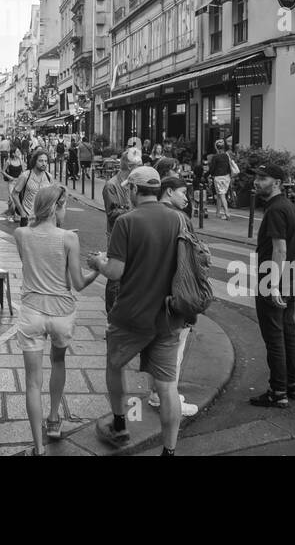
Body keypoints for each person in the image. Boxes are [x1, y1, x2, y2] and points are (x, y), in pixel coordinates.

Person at [88, 166, 188, 455]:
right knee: (168, 387)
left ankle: (120, 426)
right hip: (169, 315)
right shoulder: (179, 219)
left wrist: (97, 263)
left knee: (115, 364)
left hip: (131, 314)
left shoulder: (127, 221)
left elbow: (116, 271)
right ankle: (169, 451)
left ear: (133, 190)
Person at [15, 185, 100, 455]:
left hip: (31, 313)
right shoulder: (69, 239)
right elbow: (78, 283)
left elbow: (30, 263)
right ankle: (53, 419)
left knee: (32, 382)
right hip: (62, 312)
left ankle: (38, 448)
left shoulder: (21, 234)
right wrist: (97, 269)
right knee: (58, 360)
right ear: (58, 207)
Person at [249, 164, 295, 408]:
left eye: (263, 178)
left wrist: (271, 284)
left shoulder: (275, 210)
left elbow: (279, 248)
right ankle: (293, 385)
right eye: (257, 177)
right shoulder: (289, 206)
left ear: (278, 183)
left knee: (274, 335)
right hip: (290, 273)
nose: (257, 182)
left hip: (273, 275)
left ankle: (278, 391)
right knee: (287, 331)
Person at [147, 176, 201, 417]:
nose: (186, 198)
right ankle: (167, 400)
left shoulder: (148, 214)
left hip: (152, 292)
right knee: (174, 351)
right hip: (174, 292)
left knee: (156, 347)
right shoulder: (180, 219)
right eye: (182, 193)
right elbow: (190, 259)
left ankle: (156, 394)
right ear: (168, 192)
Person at [100, 148, 140, 314]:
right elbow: (113, 215)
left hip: (136, 237)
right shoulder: (111, 186)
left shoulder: (136, 184)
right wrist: (137, 213)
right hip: (117, 237)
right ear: (130, 167)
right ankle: (112, 315)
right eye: (139, 165)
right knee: (115, 278)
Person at [12, 151, 54, 227]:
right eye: (40, 161)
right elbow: (14, 194)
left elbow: (51, 197)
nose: (44, 163)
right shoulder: (25, 176)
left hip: (44, 219)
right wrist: (22, 213)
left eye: (45, 161)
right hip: (28, 218)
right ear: (34, 161)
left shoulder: (49, 177)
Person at [208, 140, 236, 220]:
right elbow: (228, 167)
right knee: (220, 195)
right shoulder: (226, 156)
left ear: (216, 148)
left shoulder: (215, 157)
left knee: (222, 195)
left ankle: (227, 213)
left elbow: (212, 168)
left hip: (219, 177)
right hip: (226, 177)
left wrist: (210, 175)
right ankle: (217, 212)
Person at [1, 148, 25, 220]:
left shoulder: (21, 161)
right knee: (12, 198)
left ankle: (16, 214)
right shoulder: (9, 161)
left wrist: (22, 177)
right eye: (17, 151)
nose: (19, 152)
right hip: (11, 182)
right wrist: (9, 177)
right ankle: (11, 212)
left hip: (19, 182)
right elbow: (2, 171)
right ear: (13, 153)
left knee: (19, 198)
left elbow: (24, 172)